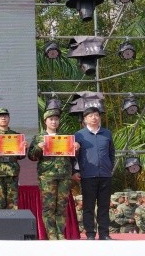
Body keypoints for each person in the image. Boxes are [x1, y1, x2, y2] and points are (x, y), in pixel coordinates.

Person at [27, 109, 75, 240]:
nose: (54, 122)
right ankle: (52, 234)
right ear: (45, 122)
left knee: (62, 206)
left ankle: (60, 233)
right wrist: (39, 147)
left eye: (56, 119)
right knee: (49, 206)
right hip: (47, 176)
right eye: (51, 119)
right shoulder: (38, 138)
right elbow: (31, 156)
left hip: (64, 175)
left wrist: (76, 148)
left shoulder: (65, 137)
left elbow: (72, 156)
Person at [74, 103, 116, 240]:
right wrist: (76, 171)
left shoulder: (107, 133)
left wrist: (109, 168)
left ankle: (104, 233)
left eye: (96, 115)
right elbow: (73, 156)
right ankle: (90, 233)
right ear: (85, 119)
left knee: (104, 206)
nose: (94, 118)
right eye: (90, 116)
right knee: (88, 206)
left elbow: (111, 153)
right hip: (87, 175)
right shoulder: (79, 135)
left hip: (105, 175)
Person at [0, 107, 27, 209]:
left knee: (13, 202)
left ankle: (12, 220)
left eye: (5, 116)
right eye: (0, 116)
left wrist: (24, 148)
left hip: (12, 170)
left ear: (9, 118)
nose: (3, 118)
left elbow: (21, 156)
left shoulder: (16, 136)